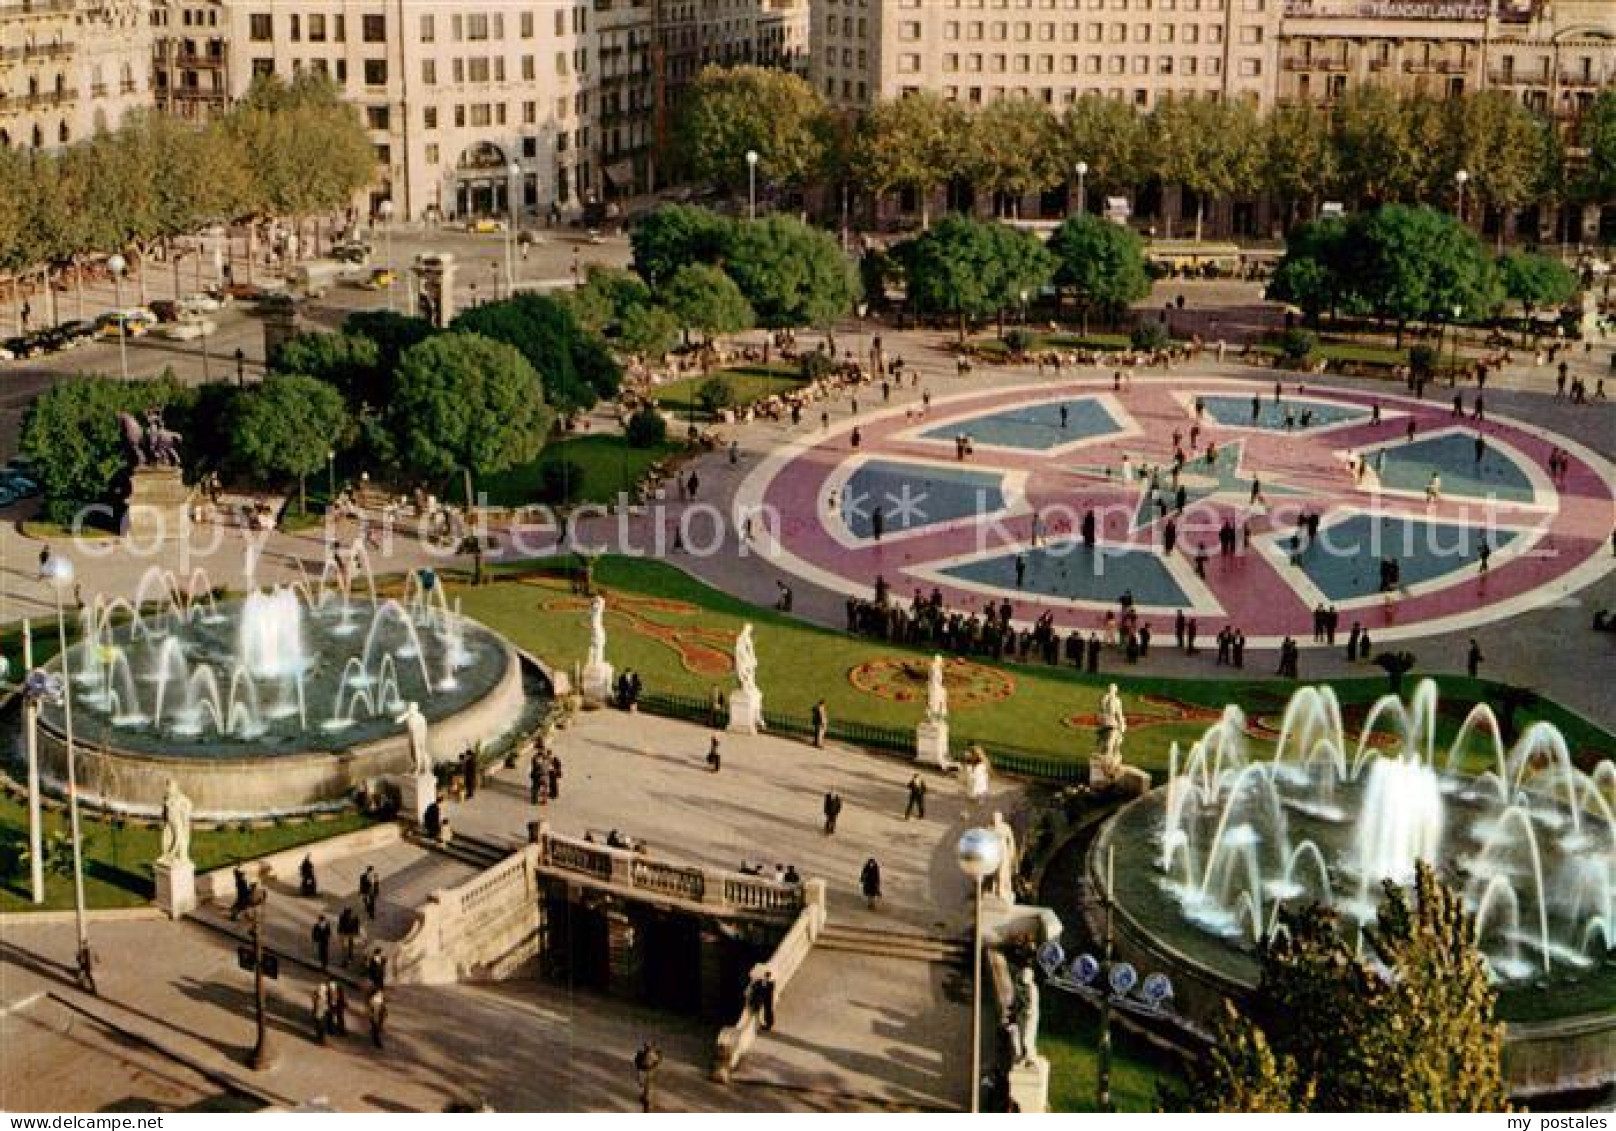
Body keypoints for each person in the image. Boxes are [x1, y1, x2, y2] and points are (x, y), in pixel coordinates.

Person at [634, 1041, 663, 1113]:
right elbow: (637, 1064)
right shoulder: (642, 1054)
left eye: (650, 1047)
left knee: (647, 1089)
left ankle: (647, 1104)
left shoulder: (655, 1054)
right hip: (646, 1072)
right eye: (647, 1047)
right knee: (645, 1086)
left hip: (648, 1072)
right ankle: (645, 1099)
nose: (648, 1048)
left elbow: (637, 1064)